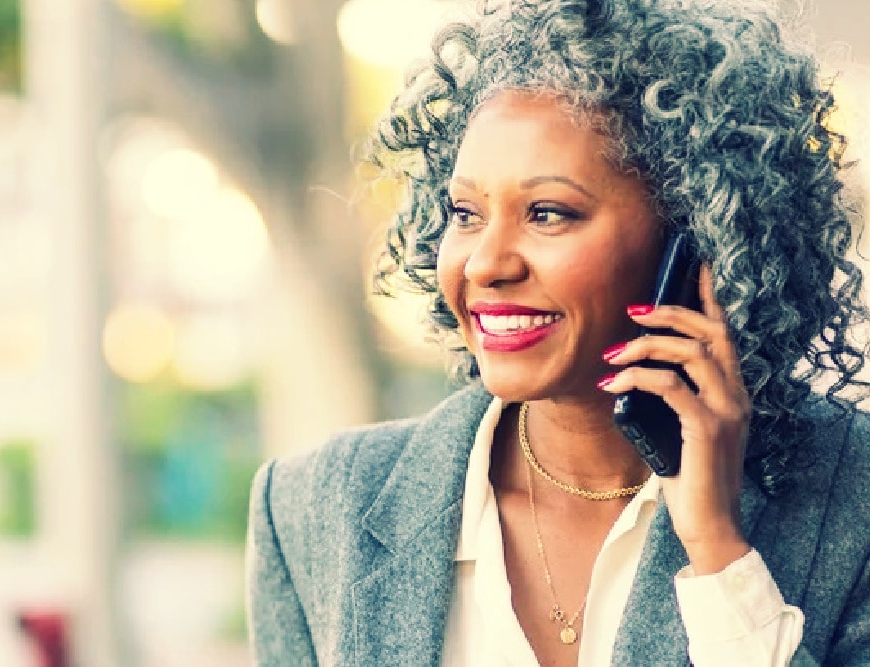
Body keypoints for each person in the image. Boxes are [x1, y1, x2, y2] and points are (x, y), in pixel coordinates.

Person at [247, 0, 870, 664]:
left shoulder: (852, 497)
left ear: (698, 241)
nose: (486, 262)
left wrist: (719, 552)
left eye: (547, 212)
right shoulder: (311, 507)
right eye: (465, 211)